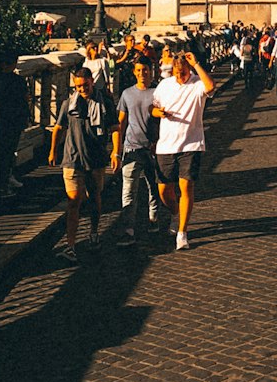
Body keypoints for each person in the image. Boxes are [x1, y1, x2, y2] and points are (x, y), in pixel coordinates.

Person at [48, 66, 119, 264]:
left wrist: (116, 151)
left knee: (94, 196)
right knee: (73, 202)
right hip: (72, 158)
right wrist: (53, 150)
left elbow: (114, 127)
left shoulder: (104, 102)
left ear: (92, 82)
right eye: (78, 87)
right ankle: (70, 245)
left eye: (85, 86)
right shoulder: (68, 104)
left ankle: (94, 232)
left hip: (95, 158)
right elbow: (59, 128)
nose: (82, 90)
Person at [152, 49, 215, 250]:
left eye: (184, 73)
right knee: (164, 191)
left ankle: (182, 232)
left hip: (191, 143)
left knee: (186, 187)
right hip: (166, 144)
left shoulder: (197, 83)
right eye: (177, 73)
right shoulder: (165, 85)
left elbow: (211, 86)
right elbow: (152, 107)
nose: (180, 77)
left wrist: (196, 64)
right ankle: (175, 212)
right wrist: (158, 112)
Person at [116, 56, 162, 245]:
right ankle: (128, 229)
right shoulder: (127, 94)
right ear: (134, 72)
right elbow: (121, 122)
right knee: (129, 190)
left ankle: (153, 218)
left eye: (145, 70)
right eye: (139, 70)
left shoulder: (158, 93)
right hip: (132, 147)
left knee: (154, 186)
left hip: (153, 147)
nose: (142, 73)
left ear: (151, 71)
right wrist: (116, 151)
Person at [0, 45, 29, 200]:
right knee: (7, 152)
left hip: (0, 120)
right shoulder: (17, 80)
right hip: (13, 120)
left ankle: (2, 181)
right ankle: (3, 183)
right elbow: (25, 99)